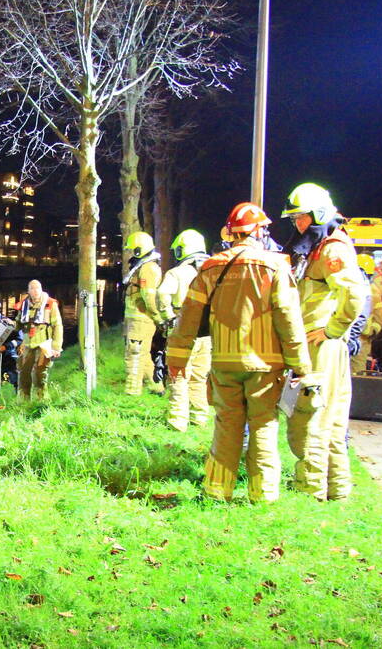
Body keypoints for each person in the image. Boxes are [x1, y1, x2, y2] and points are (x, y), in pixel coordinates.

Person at [167, 202, 311, 503]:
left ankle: (217, 490)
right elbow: (289, 318)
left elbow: (189, 317)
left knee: (226, 426)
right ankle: (263, 495)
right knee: (263, 427)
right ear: (258, 231)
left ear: (231, 232)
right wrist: (300, 365)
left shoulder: (210, 267)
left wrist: (177, 359)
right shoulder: (275, 267)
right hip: (265, 364)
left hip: (224, 361)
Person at [281, 182, 368, 501]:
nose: (298, 224)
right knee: (325, 418)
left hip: (319, 347)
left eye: (302, 217)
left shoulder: (332, 247)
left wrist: (332, 329)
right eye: (295, 219)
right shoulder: (317, 246)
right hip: (313, 345)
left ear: (318, 214)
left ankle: (310, 488)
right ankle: (336, 489)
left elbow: (354, 293)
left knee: (309, 415)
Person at [157, 229, 212, 431]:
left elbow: (162, 295)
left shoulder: (177, 273)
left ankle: (177, 421)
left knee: (178, 375)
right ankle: (199, 418)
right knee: (200, 376)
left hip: (183, 329)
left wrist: (168, 317)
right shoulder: (212, 271)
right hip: (207, 332)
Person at [121, 231, 163, 395]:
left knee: (134, 355)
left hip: (140, 320)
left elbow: (148, 296)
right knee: (143, 354)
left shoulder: (147, 269)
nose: (131, 254)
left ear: (139, 250)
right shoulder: (145, 267)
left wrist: (156, 316)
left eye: (133, 250)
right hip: (138, 319)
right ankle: (154, 386)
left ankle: (132, 391)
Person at [14, 280, 63, 401]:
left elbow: (58, 325)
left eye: (37, 288)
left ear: (41, 289)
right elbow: (18, 323)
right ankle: (23, 403)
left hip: (44, 344)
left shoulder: (50, 304)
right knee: (23, 373)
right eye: (32, 288)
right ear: (28, 291)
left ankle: (41, 402)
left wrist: (56, 347)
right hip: (28, 344)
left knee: (39, 374)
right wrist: (10, 324)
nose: (35, 291)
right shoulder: (24, 304)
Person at [350, 254, 382, 373]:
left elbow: (379, 315)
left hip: (362, 336)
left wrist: (371, 331)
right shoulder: (366, 288)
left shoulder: (373, 290)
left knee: (356, 369)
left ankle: (355, 390)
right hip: (354, 333)